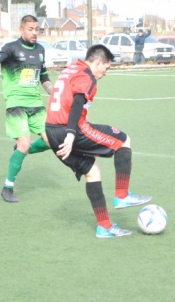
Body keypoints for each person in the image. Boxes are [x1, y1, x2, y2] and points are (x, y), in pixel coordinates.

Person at [45, 44, 152, 238]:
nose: (105, 73)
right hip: (70, 129)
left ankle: (105, 226)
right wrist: (70, 134)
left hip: (52, 130)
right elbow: (77, 103)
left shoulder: (70, 69)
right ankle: (122, 195)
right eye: (107, 68)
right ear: (98, 62)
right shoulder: (86, 75)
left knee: (92, 171)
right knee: (123, 140)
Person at [0, 15, 52, 203]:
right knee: (24, 143)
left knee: (52, 140)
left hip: (36, 105)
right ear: (21, 30)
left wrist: (55, 93)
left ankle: (22, 149)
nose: (34, 33)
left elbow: (44, 77)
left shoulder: (40, 50)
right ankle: (8, 187)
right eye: (30, 29)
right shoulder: (11, 48)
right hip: (16, 103)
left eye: (36, 29)